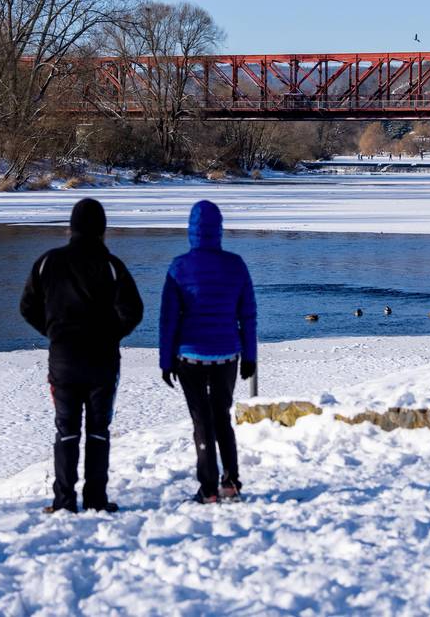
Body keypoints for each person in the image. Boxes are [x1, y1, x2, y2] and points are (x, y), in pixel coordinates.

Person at [20, 198, 143, 514]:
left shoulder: (48, 262)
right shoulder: (112, 266)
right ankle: (95, 499)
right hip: (103, 361)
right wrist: (112, 333)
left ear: (71, 228)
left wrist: (53, 332)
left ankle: (63, 500)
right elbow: (134, 311)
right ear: (102, 230)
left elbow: (27, 307)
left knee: (67, 429)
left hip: (63, 359)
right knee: (99, 430)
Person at [159, 200, 257, 504]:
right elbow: (248, 315)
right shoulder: (236, 265)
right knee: (222, 419)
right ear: (219, 230)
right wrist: (250, 356)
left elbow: (168, 319)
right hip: (227, 354)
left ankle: (209, 488)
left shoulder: (179, 267)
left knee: (202, 423)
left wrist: (165, 361)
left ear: (191, 230)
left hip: (189, 357)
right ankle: (231, 482)